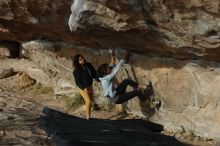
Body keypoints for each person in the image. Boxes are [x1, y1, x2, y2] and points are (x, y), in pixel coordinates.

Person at [72, 54, 98, 119]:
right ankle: (88, 118)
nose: (82, 59)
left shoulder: (88, 65)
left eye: (82, 58)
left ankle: (87, 110)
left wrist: (99, 79)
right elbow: (77, 82)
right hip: (82, 88)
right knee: (88, 101)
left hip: (89, 86)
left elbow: (94, 73)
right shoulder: (76, 71)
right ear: (77, 61)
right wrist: (84, 88)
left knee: (91, 102)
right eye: (80, 59)